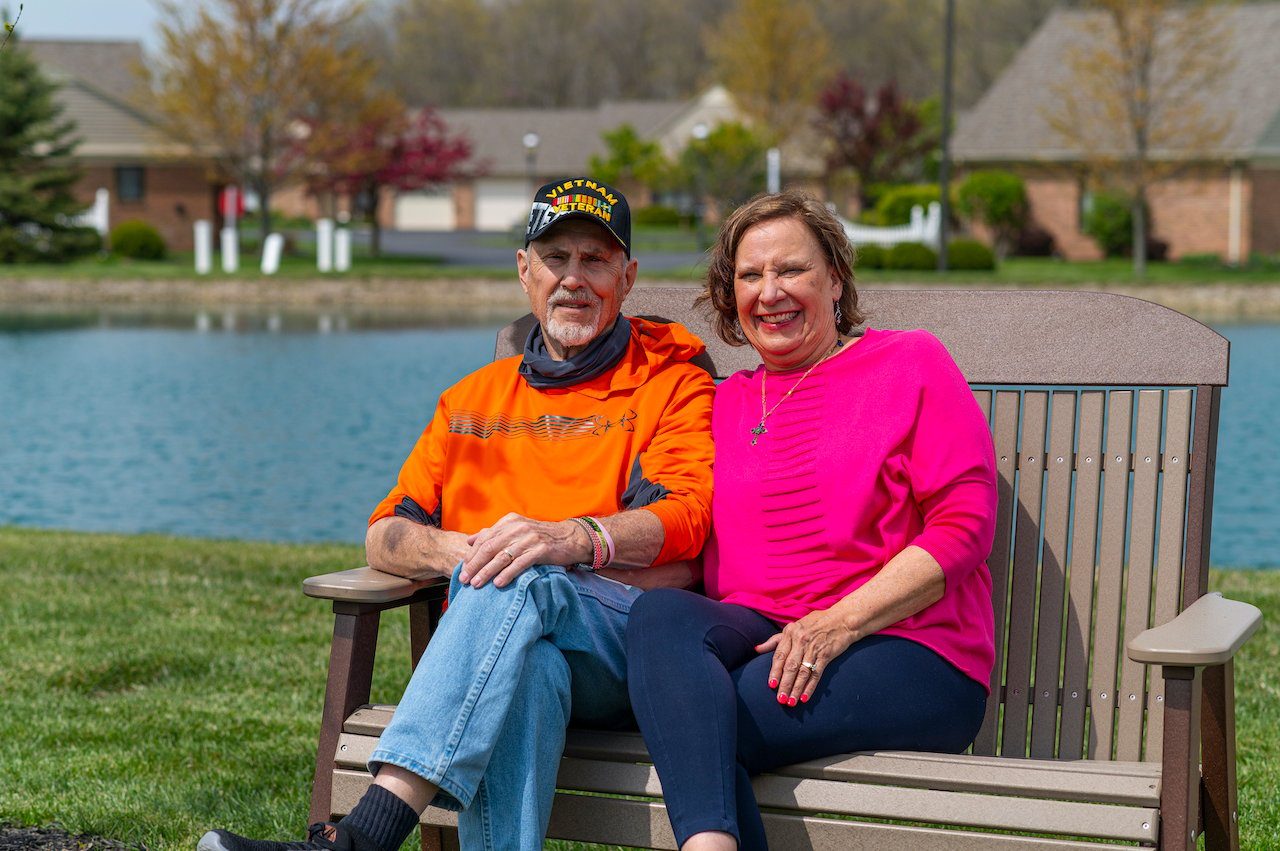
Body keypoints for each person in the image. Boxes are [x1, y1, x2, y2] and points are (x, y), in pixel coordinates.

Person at [198, 178, 715, 851]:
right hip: (508, 652)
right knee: (526, 655)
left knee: (521, 572)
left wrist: (564, 539)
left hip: (622, 645)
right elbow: (387, 532)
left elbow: (687, 519)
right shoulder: (469, 400)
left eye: (595, 260)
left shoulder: (670, 381)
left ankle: (359, 840)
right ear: (524, 271)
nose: (574, 279)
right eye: (556, 258)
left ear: (628, 275)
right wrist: (462, 553)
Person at [625, 190, 998, 851]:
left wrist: (835, 623)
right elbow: (673, 517)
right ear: (729, 295)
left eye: (791, 269)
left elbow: (964, 526)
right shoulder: (724, 403)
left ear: (835, 275)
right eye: (750, 275)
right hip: (763, 636)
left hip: (911, 648)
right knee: (660, 620)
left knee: (707, 721)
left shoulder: (909, 363)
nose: (771, 291)